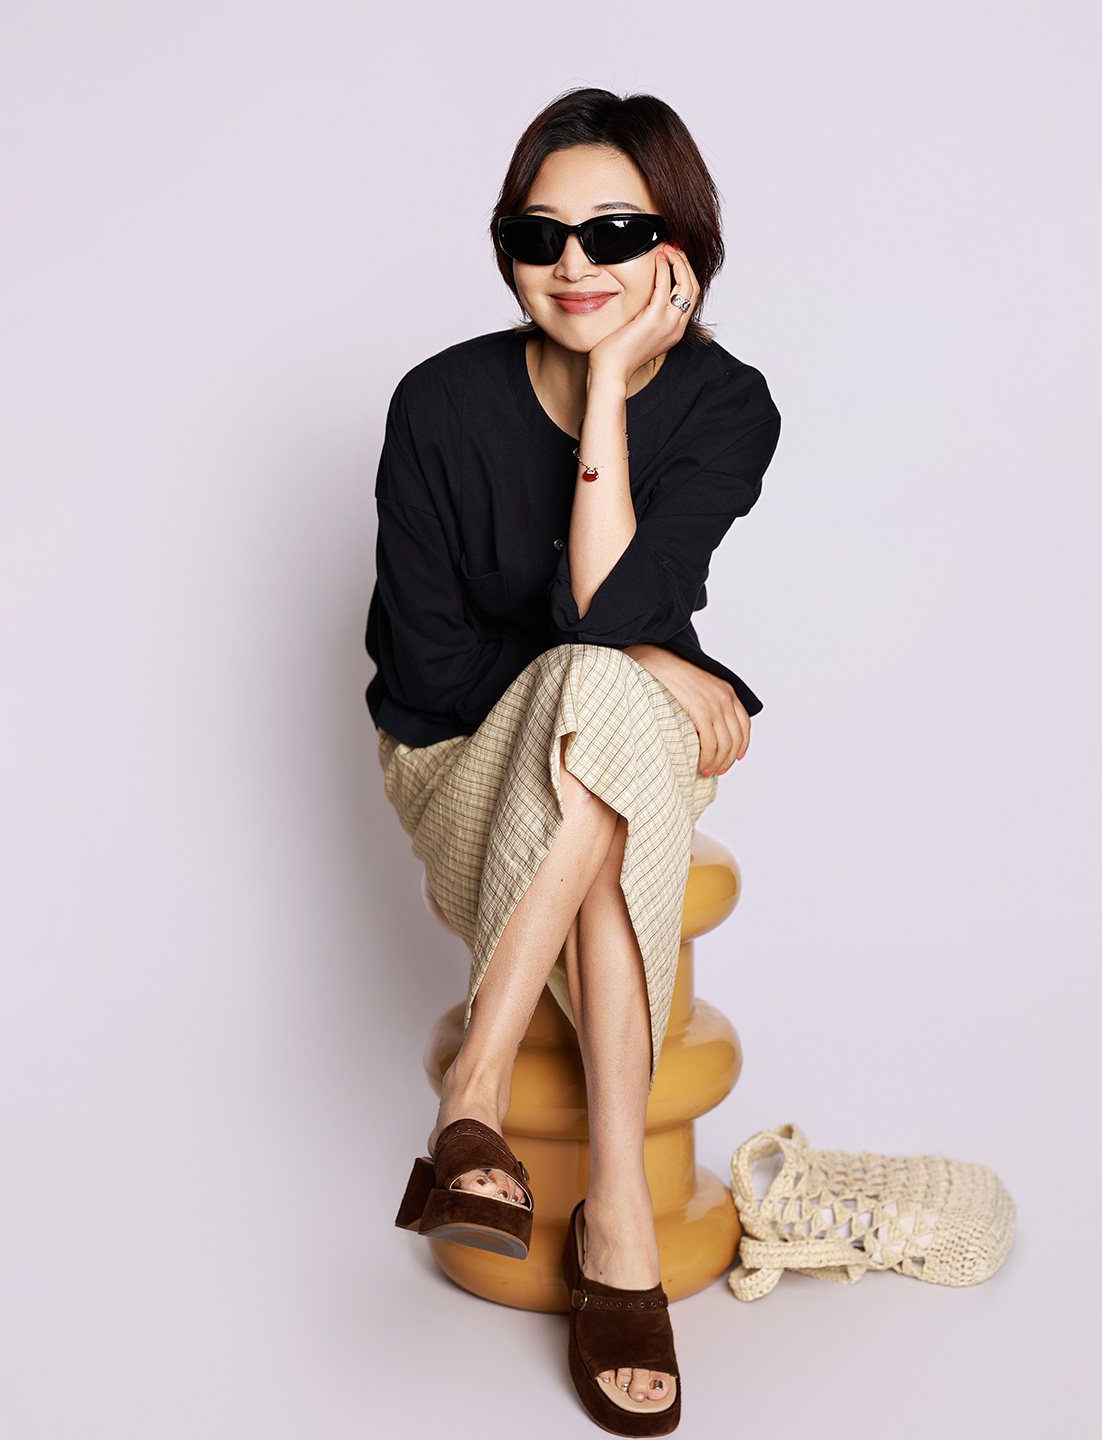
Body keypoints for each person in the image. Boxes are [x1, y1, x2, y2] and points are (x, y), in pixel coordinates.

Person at [367, 86, 780, 1436]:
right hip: (460, 763)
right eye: (536, 236)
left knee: (601, 699)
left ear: (681, 251)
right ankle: (622, 1242)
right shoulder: (439, 403)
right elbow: (432, 677)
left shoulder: (727, 406)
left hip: (634, 741)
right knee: (599, 695)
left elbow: (607, 614)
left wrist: (606, 390)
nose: (571, 266)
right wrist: (645, 654)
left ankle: (471, 1108)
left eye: (612, 233)